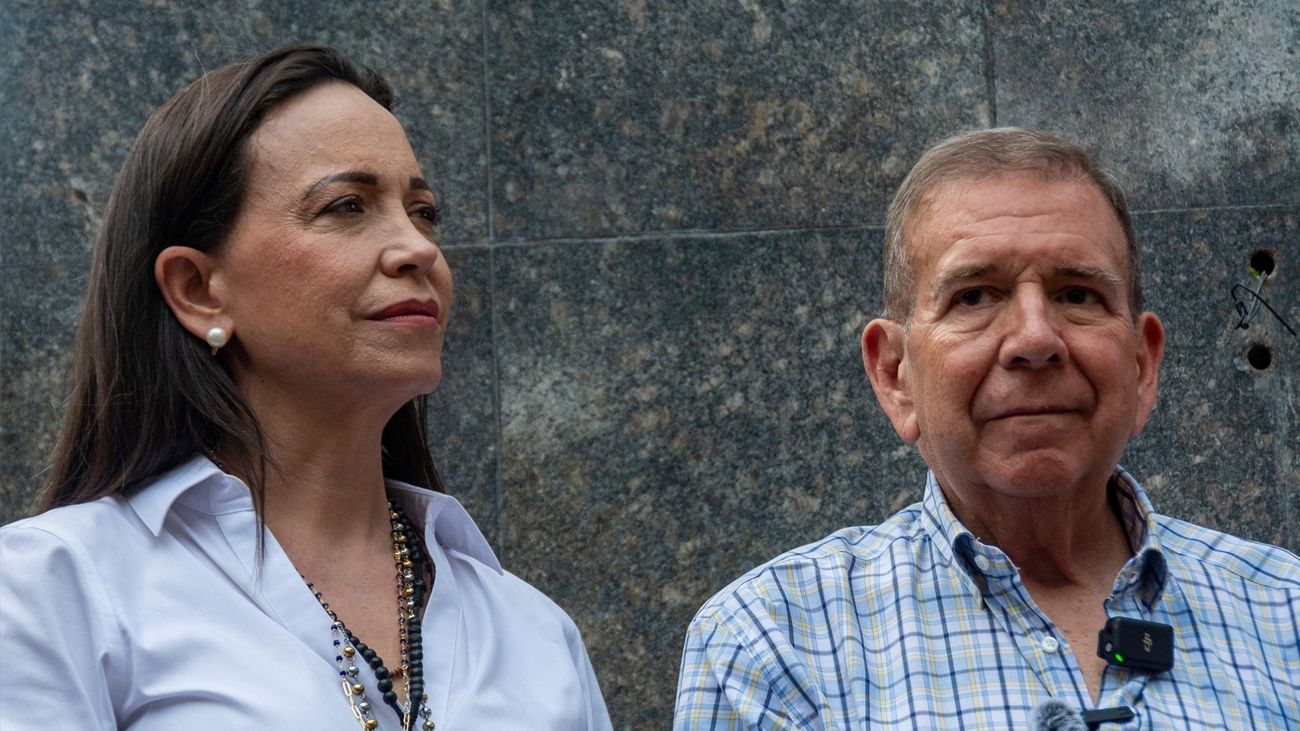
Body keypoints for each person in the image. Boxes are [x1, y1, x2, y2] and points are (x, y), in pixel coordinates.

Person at [0, 45, 611, 730]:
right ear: (199, 290)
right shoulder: (58, 589)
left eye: (424, 210)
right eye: (347, 206)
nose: (418, 248)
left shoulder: (531, 630)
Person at [674, 128, 1300, 729]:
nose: (1034, 338)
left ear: (1141, 367)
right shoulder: (772, 645)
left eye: (1078, 294)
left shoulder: (1286, 615)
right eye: (974, 296)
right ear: (896, 375)